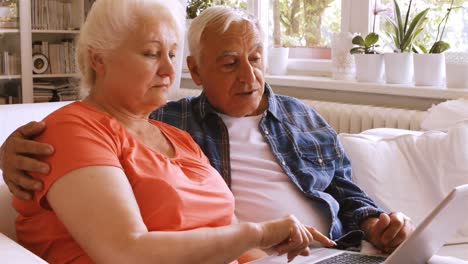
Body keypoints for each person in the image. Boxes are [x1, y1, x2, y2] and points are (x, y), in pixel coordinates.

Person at [0, 4, 413, 258]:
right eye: (150, 54)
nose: (167, 69)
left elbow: (341, 184)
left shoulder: (178, 138)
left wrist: (375, 221)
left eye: (172, 54)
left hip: (321, 252)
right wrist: (8, 149)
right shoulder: (175, 121)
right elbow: (124, 243)